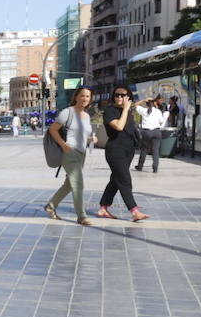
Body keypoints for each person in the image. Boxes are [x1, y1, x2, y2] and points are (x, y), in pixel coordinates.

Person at [43, 86, 96, 225]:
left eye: (88, 96)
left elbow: (81, 135)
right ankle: (81, 216)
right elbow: (53, 129)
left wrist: (91, 139)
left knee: (69, 184)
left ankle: (51, 206)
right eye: (82, 95)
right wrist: (63, 144)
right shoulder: (68, 112)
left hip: (81, 153)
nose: (85, 99)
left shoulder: (86, 115)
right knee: (78, 184)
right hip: (69, 152)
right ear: (76, 97)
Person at [97, 86, 151, 221]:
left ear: (128, 97)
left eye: (123, 95)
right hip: (115, 150)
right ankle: (134, 210)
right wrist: (126, 109)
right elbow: (119, 127)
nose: (120, 97)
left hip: (129, 150)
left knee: (116, 179)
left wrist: (142, 100)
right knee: (125, 179)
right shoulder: (109, 111)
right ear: (113, 96)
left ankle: (103, 208)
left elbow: (134, 105)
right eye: (117, 95)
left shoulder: (127, 110)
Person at [135, 95, 168, 173]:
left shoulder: (143, 110)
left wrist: (143, 99)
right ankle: (155, 168)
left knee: (144, 149)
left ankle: (140, 166)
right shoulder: (158, 111)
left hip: (146, 132)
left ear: (147, 104)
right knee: (155, 150)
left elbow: (135, 105)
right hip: (156, 132)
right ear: (154, 103)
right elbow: (161, 122)